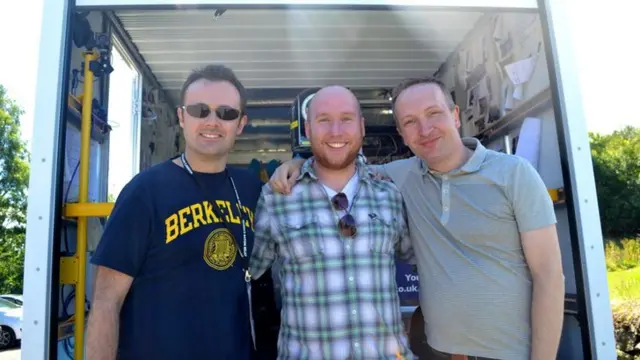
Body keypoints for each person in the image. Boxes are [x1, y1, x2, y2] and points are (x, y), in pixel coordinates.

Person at [268, 78, 565, 360]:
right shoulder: (398, 177)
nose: (425, 129)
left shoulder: (514, 173)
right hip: (437, 352)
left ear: (456, 115)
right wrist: (297, 164)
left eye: (433, 113)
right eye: (410, 122)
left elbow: (549, 276)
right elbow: (337, 165)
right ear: (402, 133)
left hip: (511, 354)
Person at [86, 64, 278, 360]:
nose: (212, 121)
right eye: (200, 110)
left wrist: (294, 166)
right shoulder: (144, 192)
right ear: (181, 117)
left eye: (226, 113)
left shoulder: (253, 190)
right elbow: (106, 302)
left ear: (240, 124)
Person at [249, 85, 416, 360]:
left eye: (346, 119)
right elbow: (245, 275)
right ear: (308, 128)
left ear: (362, 126)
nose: (336, 131)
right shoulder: (277, 196)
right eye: (323, 120)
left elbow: (422, 259)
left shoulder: (391, 193)